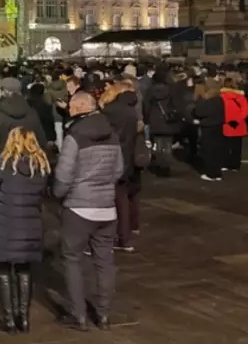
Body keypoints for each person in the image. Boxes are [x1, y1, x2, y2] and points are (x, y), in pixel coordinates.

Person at [54, 92, 124, 331]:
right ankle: (103, 314)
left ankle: (79, 315)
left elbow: (63, 175)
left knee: (72, 259)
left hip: (78, 206)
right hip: (107, 207)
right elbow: (118, 171)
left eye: (72, 107)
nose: (70, 111)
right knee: (104, 261)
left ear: (81, 107)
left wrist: (59, 194)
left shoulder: (75, 136)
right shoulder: (112, 134)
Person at [0, 127, 51, 334]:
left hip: (6, 221)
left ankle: (9, 319)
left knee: (3, 271)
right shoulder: (40, 164)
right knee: (24, 270)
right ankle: (24, 318)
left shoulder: (3, 163)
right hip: (30, 223)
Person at [100, 80, 141, 252]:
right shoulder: (131, 111)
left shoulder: (112, 112)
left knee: (110, 201)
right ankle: (124, 237)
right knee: (123, 199)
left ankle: (111, 238)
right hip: (127, 159)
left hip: (111, 159)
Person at [0, 78, 47, 168]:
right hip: (29, 163)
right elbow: (41, 139)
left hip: (3, 164)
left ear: (4, 91)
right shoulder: (31, 112)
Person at [143, 66, 181, 177]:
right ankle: (166, 166)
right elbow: (176, 104)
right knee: (168, 144)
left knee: (158, 144)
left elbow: (146, 106)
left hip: (155, 119)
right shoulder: (171, 89)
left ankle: (160, 166)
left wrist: (147, 119)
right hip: (168, 119)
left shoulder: (150, 90)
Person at [193, 79, 226, 181]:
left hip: (209, 127)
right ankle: (217, 173)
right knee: (217, 151)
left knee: (209, 151)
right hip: (218, 127)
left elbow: (199, 112)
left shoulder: (209, 102)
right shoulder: (219, 99)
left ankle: (211, 174)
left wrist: (199, 99)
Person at [219, 78, 248, 172]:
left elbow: (220, 111)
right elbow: (245, 111)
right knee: (237, 147)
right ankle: (235, 165)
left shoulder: (221, 97)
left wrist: (227, 120)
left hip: (226, 125)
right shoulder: (241, 97)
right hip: (238, 125)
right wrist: (237, 121)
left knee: (225, 146)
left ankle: (225, 164)